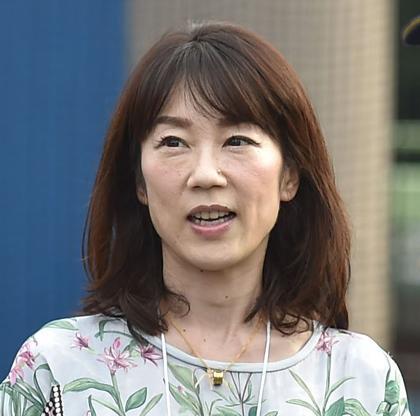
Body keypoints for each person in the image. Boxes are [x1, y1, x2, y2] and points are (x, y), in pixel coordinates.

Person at [0, 21, 411, 416]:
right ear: (139, 181)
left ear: (289, 175)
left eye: (237, 140)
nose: (205, 174)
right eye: (174, 142)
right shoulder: (59, 370)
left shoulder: (361, 382)